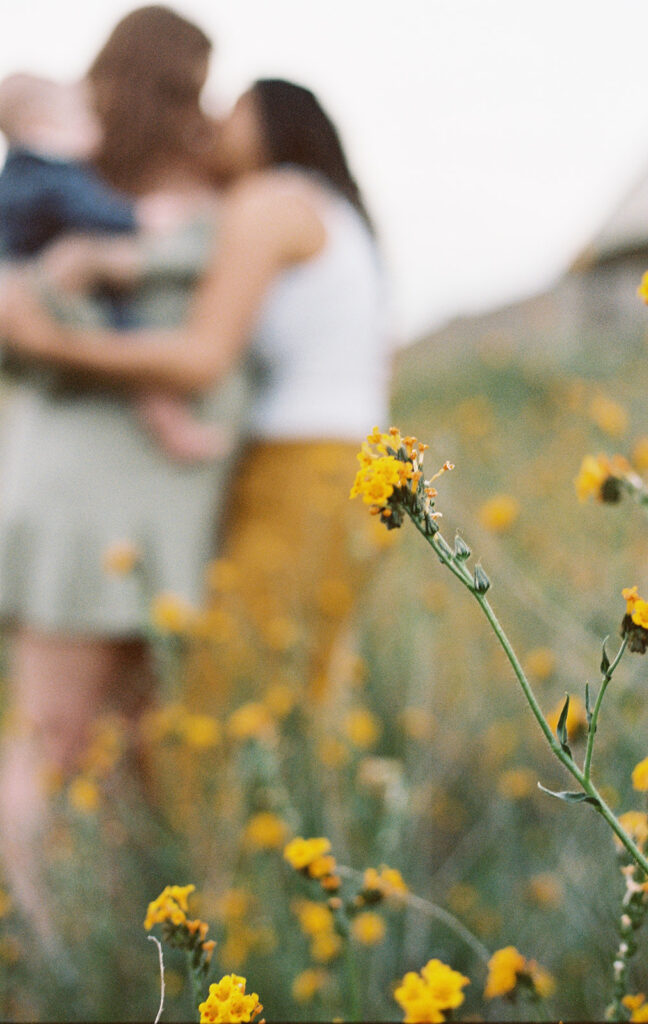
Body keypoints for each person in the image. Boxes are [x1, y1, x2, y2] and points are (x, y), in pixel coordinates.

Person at [0, 78, 392, 712]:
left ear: (272, 123)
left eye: (233, 110)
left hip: (305, 465)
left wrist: (48, 343)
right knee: (297, 688)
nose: (211, 120)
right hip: (346, 464)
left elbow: (201, 359)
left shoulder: (269, 201)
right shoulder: (332, 208)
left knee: (227, 699)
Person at [0, 5, 249, 952]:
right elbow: (21, 330)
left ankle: (113, 944)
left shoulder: (215, 182)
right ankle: (45, 954)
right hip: (80, 495)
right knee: (55, 736)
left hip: (167, 501)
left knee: (137, 747)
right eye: (194, 83)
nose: (209, 104)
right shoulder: (63, 184)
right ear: (160, 83)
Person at [0, 70, 229, 462]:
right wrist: (147, 217)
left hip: (27, 291)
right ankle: (172, 425)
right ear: (41, 128)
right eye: (82, 119)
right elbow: (98, 213)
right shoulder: (56, 176)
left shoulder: (16, 175)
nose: (95, 129)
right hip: (61, 295)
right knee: (133, 344)